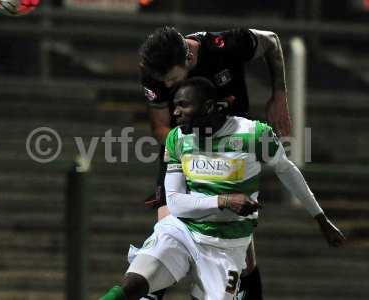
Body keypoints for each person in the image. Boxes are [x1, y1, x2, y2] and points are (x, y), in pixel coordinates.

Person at [99, 77, 346, 300]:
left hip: (226, 246)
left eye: (184, 105)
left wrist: (320, 217)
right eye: (175, 105)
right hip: (182, 231)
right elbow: (174, 202)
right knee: (133, 284)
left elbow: (287, 170)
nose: (176, 112)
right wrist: (225, 200)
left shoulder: (253, 134)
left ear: (207, 107)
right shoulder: (177, 139)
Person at [140, 26, 290, 299]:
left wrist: (279, 96)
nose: (170, 88)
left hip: (230, 156)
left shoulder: (224, 46)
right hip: (182, 150)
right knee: (164, 236)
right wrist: (191, 155)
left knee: (243, 255)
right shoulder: (155, 73)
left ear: (188, 59)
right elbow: (161, 128)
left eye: (173, 80)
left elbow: (271, 42)